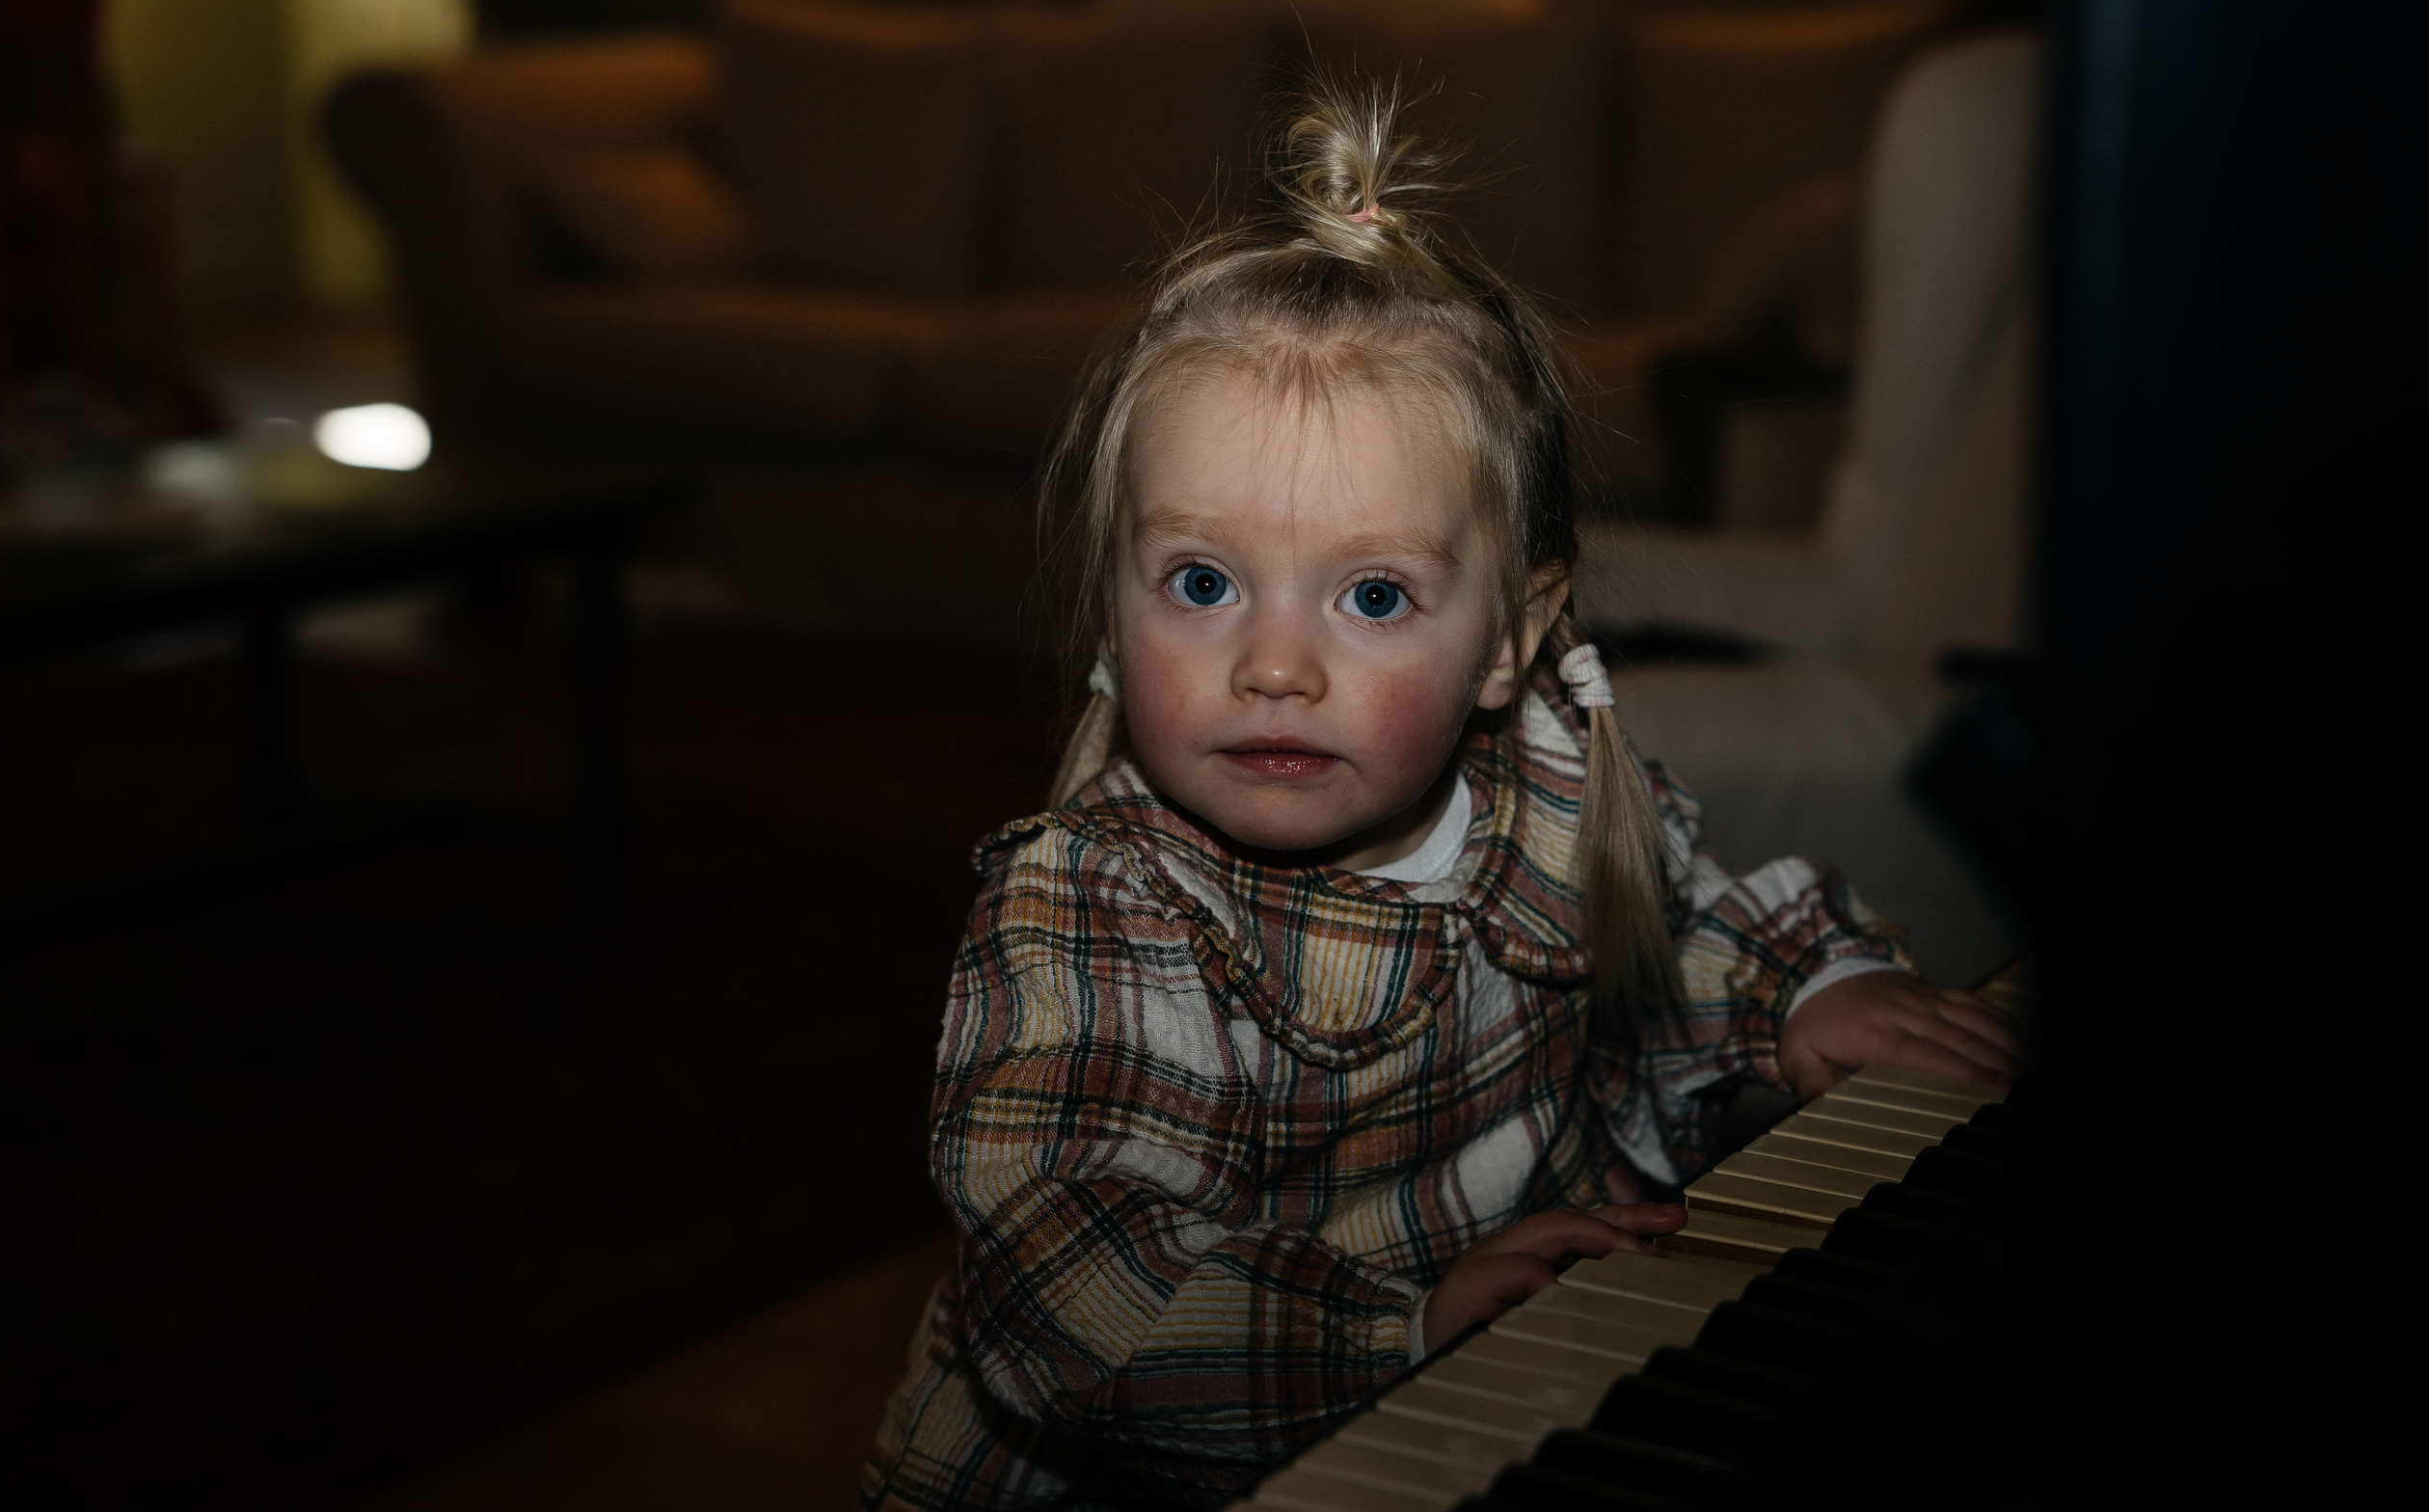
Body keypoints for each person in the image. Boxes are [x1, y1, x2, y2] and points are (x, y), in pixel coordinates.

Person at [860, 85, 2018, 1510]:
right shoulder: (1092, 913)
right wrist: (1390, 1332)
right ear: (1114, 602)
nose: (1275, 664)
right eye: (1203, 583)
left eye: (1374, 594)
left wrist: (1806, 992)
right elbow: (1072, 1271)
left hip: (1483, 1410)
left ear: (1509, 645)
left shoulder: (1546, 785)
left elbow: (1680, 936)